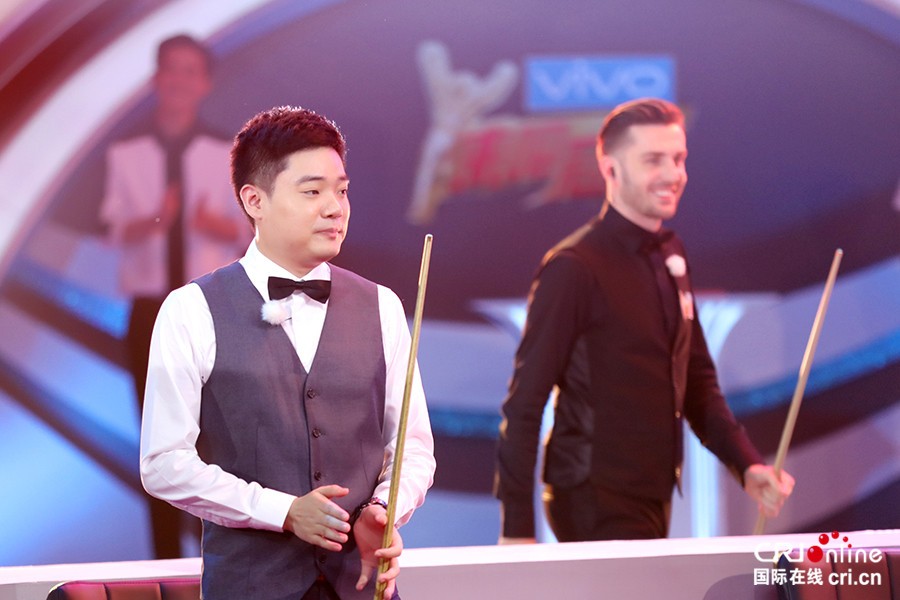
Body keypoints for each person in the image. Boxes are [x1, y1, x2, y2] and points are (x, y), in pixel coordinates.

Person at [139, 105, 435, 599]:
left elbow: (412, 447)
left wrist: (384, 510)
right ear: (254, 200)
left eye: (342, 190)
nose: (335, 208)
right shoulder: (191, 309)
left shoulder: (382, 306)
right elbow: (163, 463)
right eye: (312, 191)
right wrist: (283, 511)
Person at [495, 97, 794, 543]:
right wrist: (516, 527)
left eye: (679, 158)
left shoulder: (670, 253)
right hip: (593, 497)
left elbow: (696, 381)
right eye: (654, 160)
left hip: (652, 494)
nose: (673, 174)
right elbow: (525, 401)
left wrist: (747, 464)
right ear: (611, 169)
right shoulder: (575, 266)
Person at [99, 33, 248, 559]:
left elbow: (251, 232)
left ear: (204, 82)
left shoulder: (226, 153)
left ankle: (223, 563)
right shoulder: (126, 153)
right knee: (160, 446)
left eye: (191, 70)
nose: (180, 80)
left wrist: (214, 223)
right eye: (171, 69)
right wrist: (154, 218)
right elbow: (114, 231)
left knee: (220, 445)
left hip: (212, 314)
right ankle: (164, 563)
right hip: (148, 313)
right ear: (156, 79)